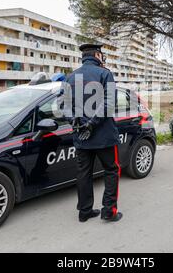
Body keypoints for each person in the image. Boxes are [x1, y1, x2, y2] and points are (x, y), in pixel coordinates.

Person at [64, 43, 123, 222]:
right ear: (97, 55)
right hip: (103, 136)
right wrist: (92, 123)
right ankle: (109, 211)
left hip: (81, 137)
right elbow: (109, 105)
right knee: (111, 171)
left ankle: (84, 211)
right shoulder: (105, 74)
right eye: (102, 55)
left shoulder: (70, 77)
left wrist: (74, 121)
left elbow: (63, 106)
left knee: (84, 173)